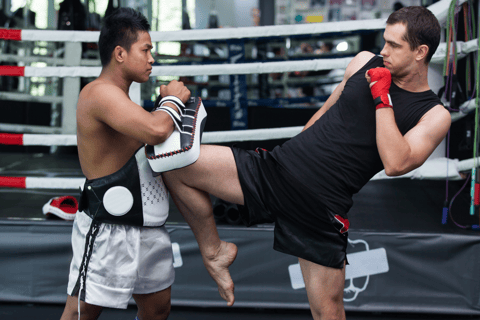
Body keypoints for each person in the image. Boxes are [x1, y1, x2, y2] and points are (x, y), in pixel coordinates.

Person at [161, 6, 451, 320]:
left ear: (421, 52)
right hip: (278, 170)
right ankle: (214, 252)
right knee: (174, 161)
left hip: (321, 207)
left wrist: (383, 98)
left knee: (328, 312)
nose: (384, 51)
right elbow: (322, 115)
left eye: (394, 45)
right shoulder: (364, 61)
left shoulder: (434, 115)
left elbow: (396, 163)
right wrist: (293, 152)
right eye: (385, 41)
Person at [60, 8, 190, 320]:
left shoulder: (124, 101)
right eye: (145, 50)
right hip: (108, 227)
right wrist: (172, 99)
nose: (152, 59)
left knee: (158, 309)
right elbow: (157, 129)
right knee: (82, 313)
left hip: (146, 225)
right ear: (120, 53)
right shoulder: (98, 93)